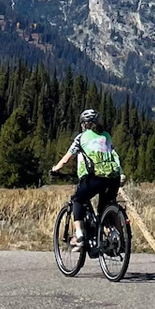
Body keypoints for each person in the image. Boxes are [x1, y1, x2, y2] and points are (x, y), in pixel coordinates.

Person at [50, 109, 124, 254]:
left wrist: (55, 169)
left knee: (77, 200)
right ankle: (118, 238)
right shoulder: (106, 136)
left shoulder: (81, 138)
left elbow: (66, 159)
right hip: (113, 177)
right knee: (107, 207)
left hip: (93, 177)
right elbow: (114, 155)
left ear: (84, 124)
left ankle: (80, 235)